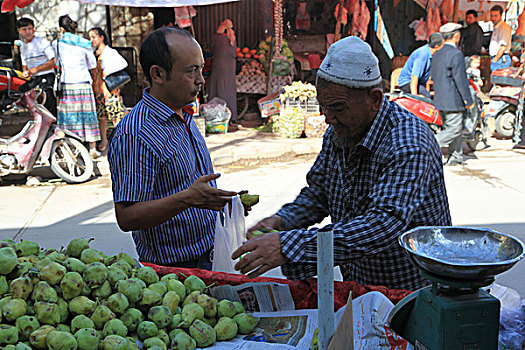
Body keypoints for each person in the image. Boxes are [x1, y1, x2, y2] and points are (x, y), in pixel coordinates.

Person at [231, 36, 452, 291]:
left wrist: (288, 246)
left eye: (337, 107)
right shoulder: (339, 130)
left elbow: (382, 225)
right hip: (359, 281)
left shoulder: (409, 142)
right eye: (323, 107)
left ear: (375, 99)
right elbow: (320, 192)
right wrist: (283, 221)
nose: (328, 118)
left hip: (411, 289)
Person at [107, 27, 242, 269]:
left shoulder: (184, 113)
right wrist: (188, 199)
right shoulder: (136, 133)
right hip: (174, 271)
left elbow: (190, 188)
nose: (201, 79)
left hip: (210, 253)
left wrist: (220, 202)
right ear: (158, 74)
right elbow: (127, 217)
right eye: (192, 71)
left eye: (201, 68)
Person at [53, 15, 100, 157]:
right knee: (88, 114)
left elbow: (57, 62)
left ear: (61, 29)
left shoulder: (57, 43)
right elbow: (92, 64)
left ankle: (71, 147)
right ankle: (92, 148)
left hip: (67, 83)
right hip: (83, 82)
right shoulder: (84, 43)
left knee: (70, 117)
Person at [431, 23, 474, 166]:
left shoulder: (437, 54)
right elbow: (460, 80)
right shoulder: (456, 54)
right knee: (454, 129)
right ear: (457, 36)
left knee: (454, 127)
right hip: (453, 100)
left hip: (440, 99)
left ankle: (455, 157)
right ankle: (428, 145)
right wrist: (468, 100)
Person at [88, 27, 128, 152]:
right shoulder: (94, 54)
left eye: (94, 37)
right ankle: (104, 140)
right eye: (90, 38)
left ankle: (121, 141)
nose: (92, 40)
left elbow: (123, 63)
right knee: (102, 117)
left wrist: (107, 72)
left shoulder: (109, 52)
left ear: (101, 38)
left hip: (109, 90)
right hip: (98, 90)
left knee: (116, 116)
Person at [17, 17, 57, 116]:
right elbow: (24, 65)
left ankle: (53, 126)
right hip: (33, 78)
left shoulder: (42, 42)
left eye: (29, 29)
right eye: (24, 29)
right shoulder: (23, 47)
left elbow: (53, 62)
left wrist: (36, 70)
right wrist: (26, 72)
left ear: (33, 29)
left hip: (46, 76)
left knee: (48, 103)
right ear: (19, 31)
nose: (27, 32)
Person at [206, 19, 238, 122]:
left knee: (218, 88)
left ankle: (217, 114)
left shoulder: (219, 38)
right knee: (229, 89)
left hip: (219, 66)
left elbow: (216, 35)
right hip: (230, 67)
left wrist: (223, 25)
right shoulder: (232, 38)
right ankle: (232, 115)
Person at [398, 32, 444, 97]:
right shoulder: (422, 55)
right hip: (408, 82)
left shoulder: (432, 54)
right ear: (437, 47)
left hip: (420, 82)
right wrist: (415, 96)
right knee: (427, 96)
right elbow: (414, 77)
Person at [489, 5, 512, 72]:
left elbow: (503, 46)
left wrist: (495, 60)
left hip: (501, 59)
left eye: (495, 16)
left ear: (501, 15)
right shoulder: (497, 27)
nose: (493, 18)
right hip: (498, 58)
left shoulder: (503, 27)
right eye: (491, 16)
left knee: (498, 80)